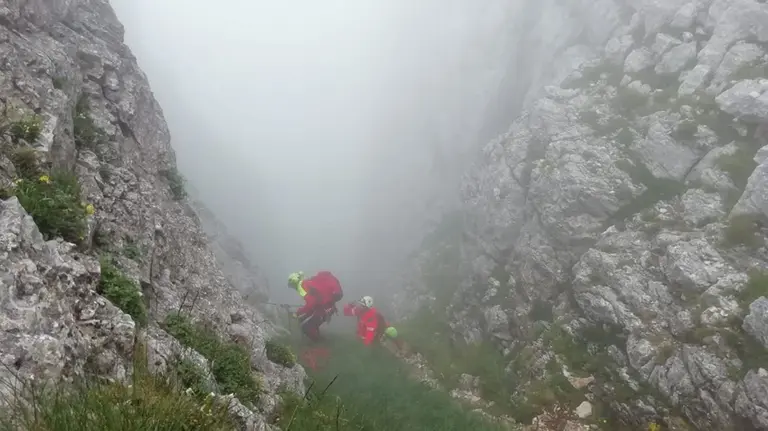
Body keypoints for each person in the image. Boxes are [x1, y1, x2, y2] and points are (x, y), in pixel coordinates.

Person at [287, 271, 344, 342]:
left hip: (324, 308)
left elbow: (311, 302)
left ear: (294, 282)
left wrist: (298, 312)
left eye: (292, 285)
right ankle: (318, 340)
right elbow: (314, 301)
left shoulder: (302, 286)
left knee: (306, 327)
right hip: (325, 307)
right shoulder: (308, 282)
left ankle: (320, 344)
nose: (293, 288)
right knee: (306, 322)